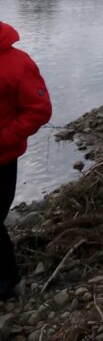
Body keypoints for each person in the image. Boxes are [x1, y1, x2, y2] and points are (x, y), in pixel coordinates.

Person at [0, 22, 51, 299]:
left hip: (3, 158)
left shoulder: (18, 63)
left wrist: (5, 137)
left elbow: (39, 110)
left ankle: (9, 280)